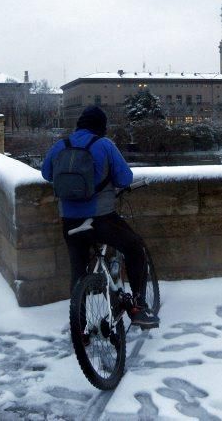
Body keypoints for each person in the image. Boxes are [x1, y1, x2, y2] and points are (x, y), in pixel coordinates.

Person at [41, 106, 159, 329]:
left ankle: (80, 328)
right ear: (101, 126)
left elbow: (46, 173)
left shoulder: (60, 145)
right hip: (101, 218)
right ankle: (139, 306)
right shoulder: (104, 145)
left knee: (78, 271)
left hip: (70, 221)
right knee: (134, 247)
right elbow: (125, 178)